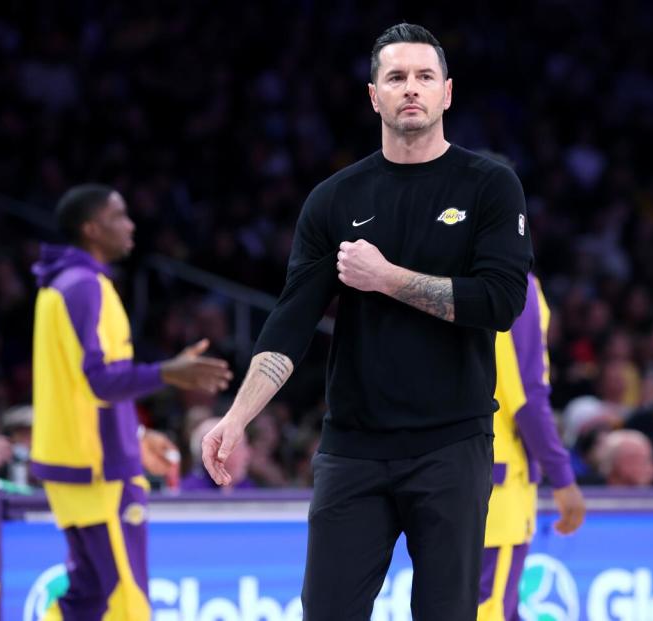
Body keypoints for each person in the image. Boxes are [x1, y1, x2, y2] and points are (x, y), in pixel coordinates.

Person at [200, 23, 533, 620]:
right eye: (397, 77)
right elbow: (289, 322)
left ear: (447, 93)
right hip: (354, 448)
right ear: (373, 95)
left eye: (425, 77)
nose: (412, 89)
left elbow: (501, 304)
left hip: (452, 444)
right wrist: (237, 416)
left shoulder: (489, 186)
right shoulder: (335, 199)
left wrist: (389, 278)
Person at [30, 184, 233, 620]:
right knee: (125, 600)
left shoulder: (60, 285)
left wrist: (136, 435)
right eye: (118, 215)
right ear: (91, 228)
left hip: (77, 461)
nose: (131, 223)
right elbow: (99, 381)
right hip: (96, 469)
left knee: (91, 592)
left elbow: (76, 389)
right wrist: (167, 371)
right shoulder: (85, 287)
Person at [478, 273, 585, 621]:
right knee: (489, 609)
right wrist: (563, 477)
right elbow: (527, 397)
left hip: (439, 474)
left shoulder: (433, 269)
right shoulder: (513, 283)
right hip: (498, 482)